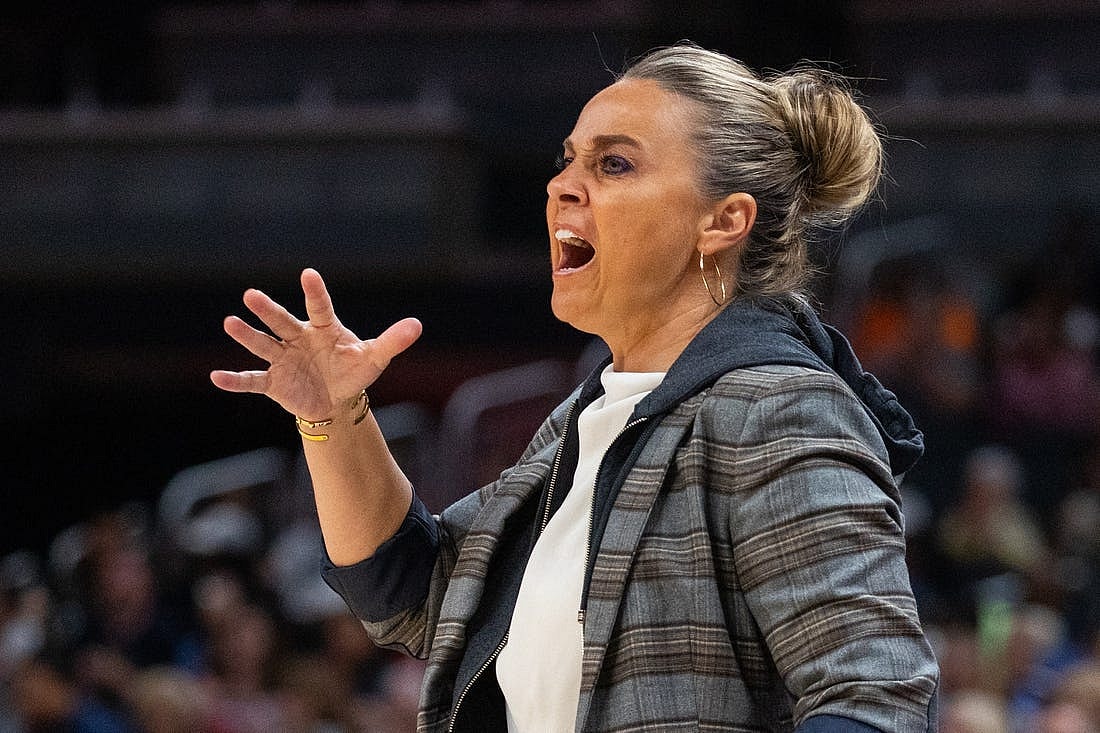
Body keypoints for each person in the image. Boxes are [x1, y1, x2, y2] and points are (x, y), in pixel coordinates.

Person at [212, 43, 939, 732]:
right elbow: (414, 596)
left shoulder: (778, 408)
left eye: (614, 164)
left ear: (723, 221)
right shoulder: (585, 420)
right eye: (567, 161)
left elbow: (873, 695)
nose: (563, 184)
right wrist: (335, 416)